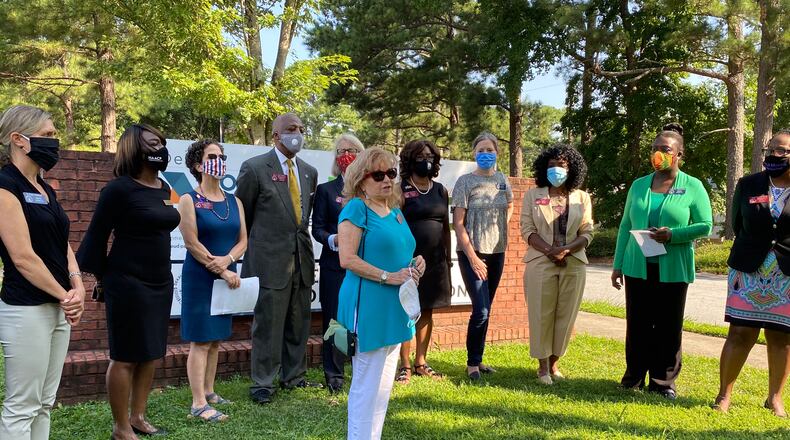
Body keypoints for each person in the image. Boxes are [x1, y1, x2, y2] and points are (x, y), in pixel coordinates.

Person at [77, 124, 181, 439]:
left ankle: (138, 417)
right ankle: (121, 427)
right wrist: (101, 278)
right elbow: (96, 237)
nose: (160, 148)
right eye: (152, 143)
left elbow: (173, 216)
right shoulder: (118, 190)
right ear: (134, 147)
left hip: (160, 281)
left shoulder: (165, 188)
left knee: (151, 353)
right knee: (125, 356)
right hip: (127, 282)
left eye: (161, 143)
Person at [0, 105, 85, 440]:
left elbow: (62, 244)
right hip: (26, 309)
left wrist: (76, 284)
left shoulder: (43, 187)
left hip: (58, 307)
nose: (54, 141)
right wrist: (66, 296)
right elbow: (23, 257)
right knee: (22, 406)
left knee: (45, 403)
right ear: (19, 139)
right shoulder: (5, 186)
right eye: (47, 135)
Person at [610, 123, 712, 399]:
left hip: (673, 269)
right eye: (655, 148)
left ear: (679, 154)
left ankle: (663, 382)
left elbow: (705, 225)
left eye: (665, 149)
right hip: (637, 266)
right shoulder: (639, 185)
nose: (658, 154)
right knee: (637, 325)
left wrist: (673, 235)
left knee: (668, 326)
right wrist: (618, 264)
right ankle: (633, 377)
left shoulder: (693, 186)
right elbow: (625, 225)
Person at [336, 147, 425, 439]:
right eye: (378, 175)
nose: (387, 179)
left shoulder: (395, 211)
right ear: (361, 180)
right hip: (369, 306)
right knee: (366, 386)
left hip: (395, 306)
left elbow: (401, 251)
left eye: (391, 173)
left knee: (383, 386)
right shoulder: (356, 209)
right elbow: (347, 259)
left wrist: (416, 263)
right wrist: (388, 276)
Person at [235, 112, 321, 405]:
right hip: (269, 261)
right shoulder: (255, 168)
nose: (297, 134)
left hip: (301, 259)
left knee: (299, 322)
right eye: (291, 129)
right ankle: (263, 382)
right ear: (275, 135)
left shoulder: (309, 172)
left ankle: (294, 376)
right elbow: (243, 216)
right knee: (269, 325)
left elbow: (303, 219)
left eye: (301, 128)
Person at [714, 129, 790, 417]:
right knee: (740, 332)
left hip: (786, 274)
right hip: (748, 270)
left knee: (781, 337)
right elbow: (737, 223)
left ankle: (774, 399)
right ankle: (723, 396)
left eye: (781, 151)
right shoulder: (748, 184)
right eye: (770, 149)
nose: (773, 155)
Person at [178, 139, 247, 421]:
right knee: (201, 341)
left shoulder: (235, 201)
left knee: (216, 339)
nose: (219, 160)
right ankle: (198, 404)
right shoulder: (188, 200)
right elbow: (192, 243)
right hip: (200, 277)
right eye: (212, 156)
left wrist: (228, 261)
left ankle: (209, 391)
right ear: (198, 165)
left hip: (225, 275)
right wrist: (221, 269)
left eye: (222, 156)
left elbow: (243, 241)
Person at [520, 145, 593, 385]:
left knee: (566, 314)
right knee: (541, 313)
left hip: (574, 263)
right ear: (544, 168)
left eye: (561, 165)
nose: (556, 169)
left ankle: (554, 362)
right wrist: (550, 250)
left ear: (571, 169)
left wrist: (567, 250)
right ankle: (542, 367)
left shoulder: (582, 197)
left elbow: (587, 231)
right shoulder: (533, 195)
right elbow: (527, 230)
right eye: (551, 165)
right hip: (540, 262)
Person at [452, 132, 514, 381]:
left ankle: (479, 359)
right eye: (481, 150)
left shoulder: (502, 180)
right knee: (481, 310)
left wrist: (501, 229)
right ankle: (472, 364)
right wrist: (473, 258)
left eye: (490, 150)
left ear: (497, 152)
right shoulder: (465, 182)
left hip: (497, 252)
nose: (485, 154)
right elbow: (458, 223)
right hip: (472, 253)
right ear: (474, 153)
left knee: (487, 308)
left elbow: (510, 205)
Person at [311, 133, 365, 393]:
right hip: (335, 267)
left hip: (365, 268)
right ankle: (334, 374)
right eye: (342, 150)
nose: (347, 155)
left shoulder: (369, 190)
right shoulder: (326, 190)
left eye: (352, 150)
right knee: (334, 321)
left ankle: (362, 369)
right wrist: (333, 239)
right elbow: (317, 228)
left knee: (361, 319)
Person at [395, 139, 452, 384]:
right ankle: (404, 365)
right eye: (420, 156)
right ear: (410, 159)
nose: (426, 161)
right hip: (408, 262)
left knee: (427, 310)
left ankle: (421, 362)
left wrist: (447, 259)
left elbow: (446, 228)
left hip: (436, 262)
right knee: (406, 311)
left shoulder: (440, 190)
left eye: (430, 156)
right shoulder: (399, 189)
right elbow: (394, 227)